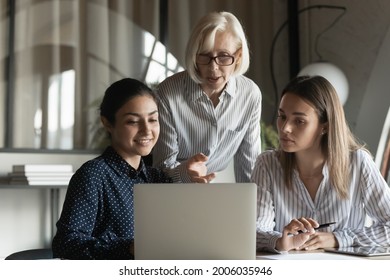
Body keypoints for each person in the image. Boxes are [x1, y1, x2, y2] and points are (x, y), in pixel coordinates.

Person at [52, 78, 207, 259]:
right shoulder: (93, 175)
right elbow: (66, 244)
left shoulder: (156, 178)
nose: (147, 130)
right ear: (107, 123)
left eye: (153, 119)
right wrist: (129, 248)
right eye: (133, 121)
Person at [252, 75, 390, 253]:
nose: (285, 128)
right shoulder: (267, 164)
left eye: (299, 121)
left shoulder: (358, 163)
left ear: (324, 126)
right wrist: (280, 241)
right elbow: (254, 230)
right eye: (282, 116)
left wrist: (338, 238)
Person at [152, 11, 262, 183]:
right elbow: (161, 170)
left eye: (224, 57)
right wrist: (185, 174)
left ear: (238, 56)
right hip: (172, 191)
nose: (213, 67)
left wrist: (251, 206)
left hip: (214, 192)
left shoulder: (250, 94)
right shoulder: (168, 92)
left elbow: (249, 166)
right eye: (204, 56)